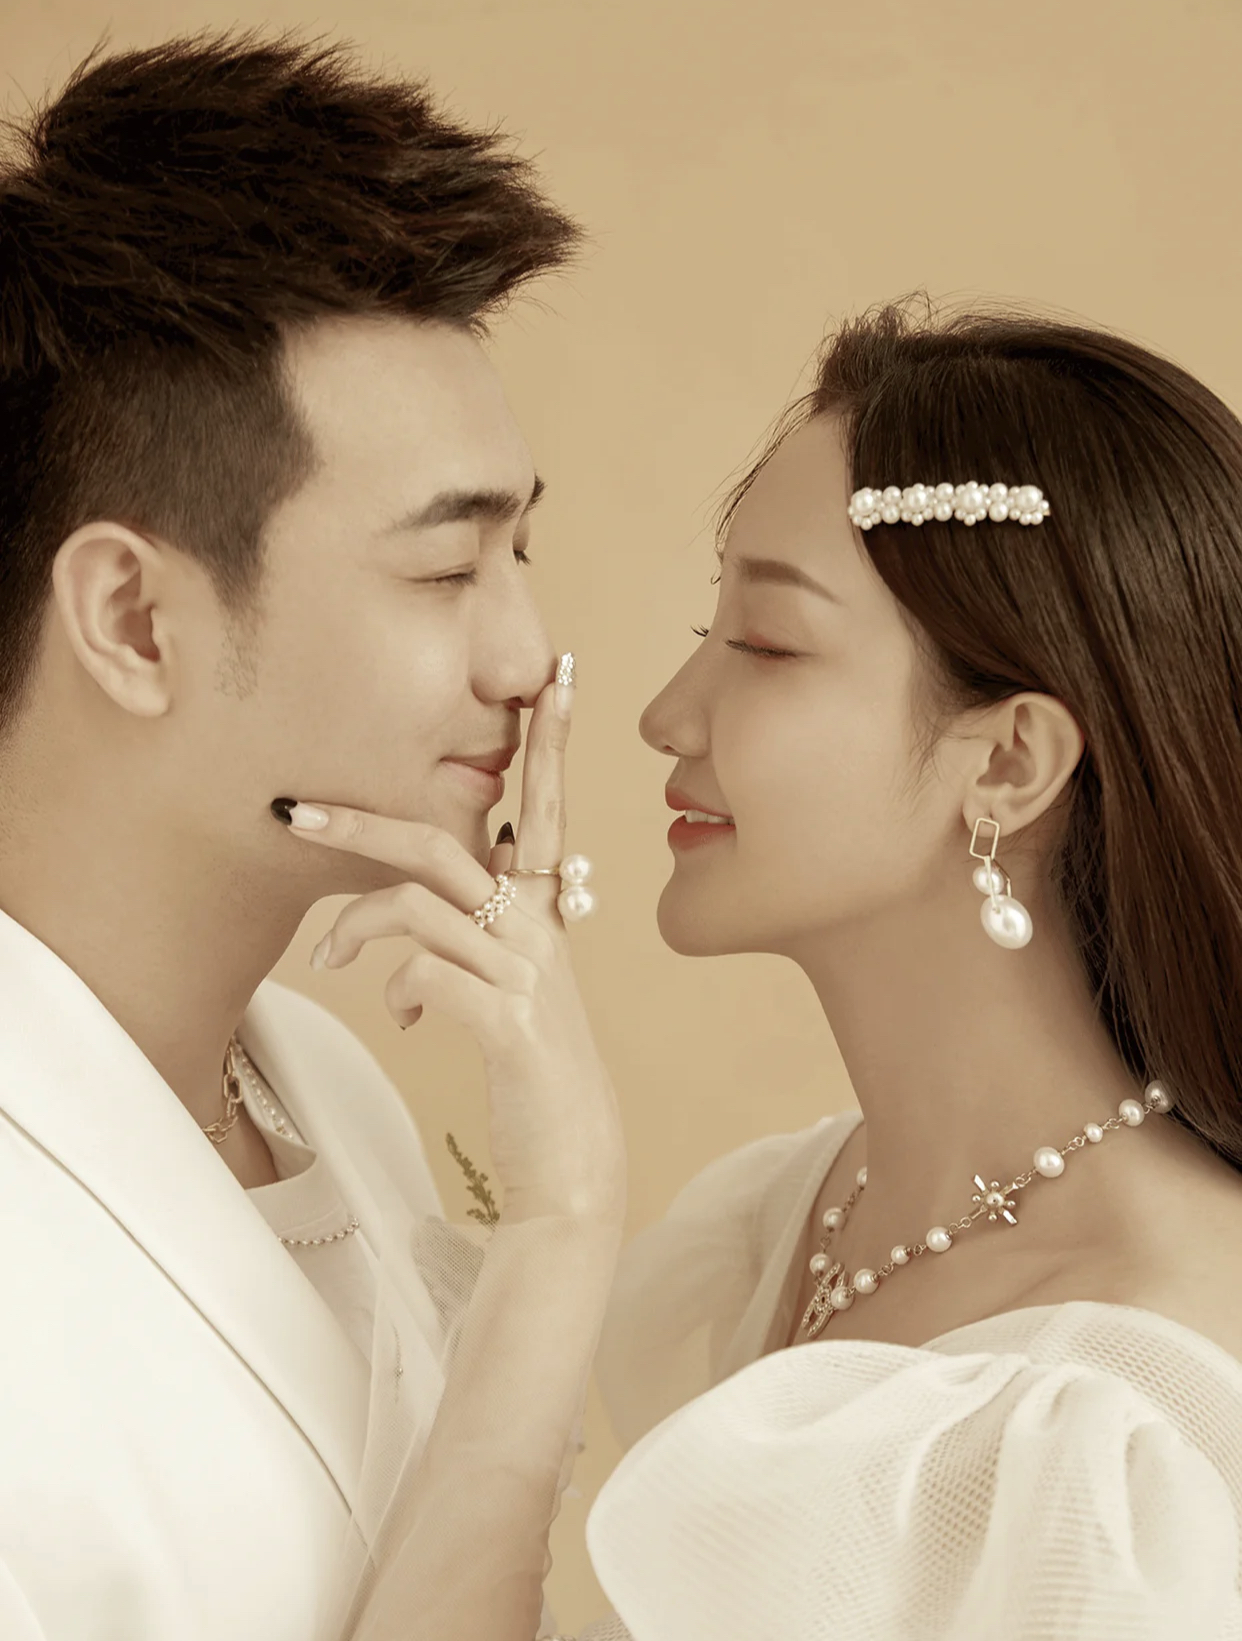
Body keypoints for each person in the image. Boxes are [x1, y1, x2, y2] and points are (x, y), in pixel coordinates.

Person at [359, 298, 1242, 1640]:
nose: (666, 715)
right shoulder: (790, 1222)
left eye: (767, 646)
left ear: (1009, 762)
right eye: (707, 630)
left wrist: (565, 1212)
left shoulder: (1125, 1432)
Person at [0, 32, 624, 1641]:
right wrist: (562, 1229)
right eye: (445, 569)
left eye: (521, 553)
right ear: (134, 618)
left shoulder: (330, 1090)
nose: (526, 656)